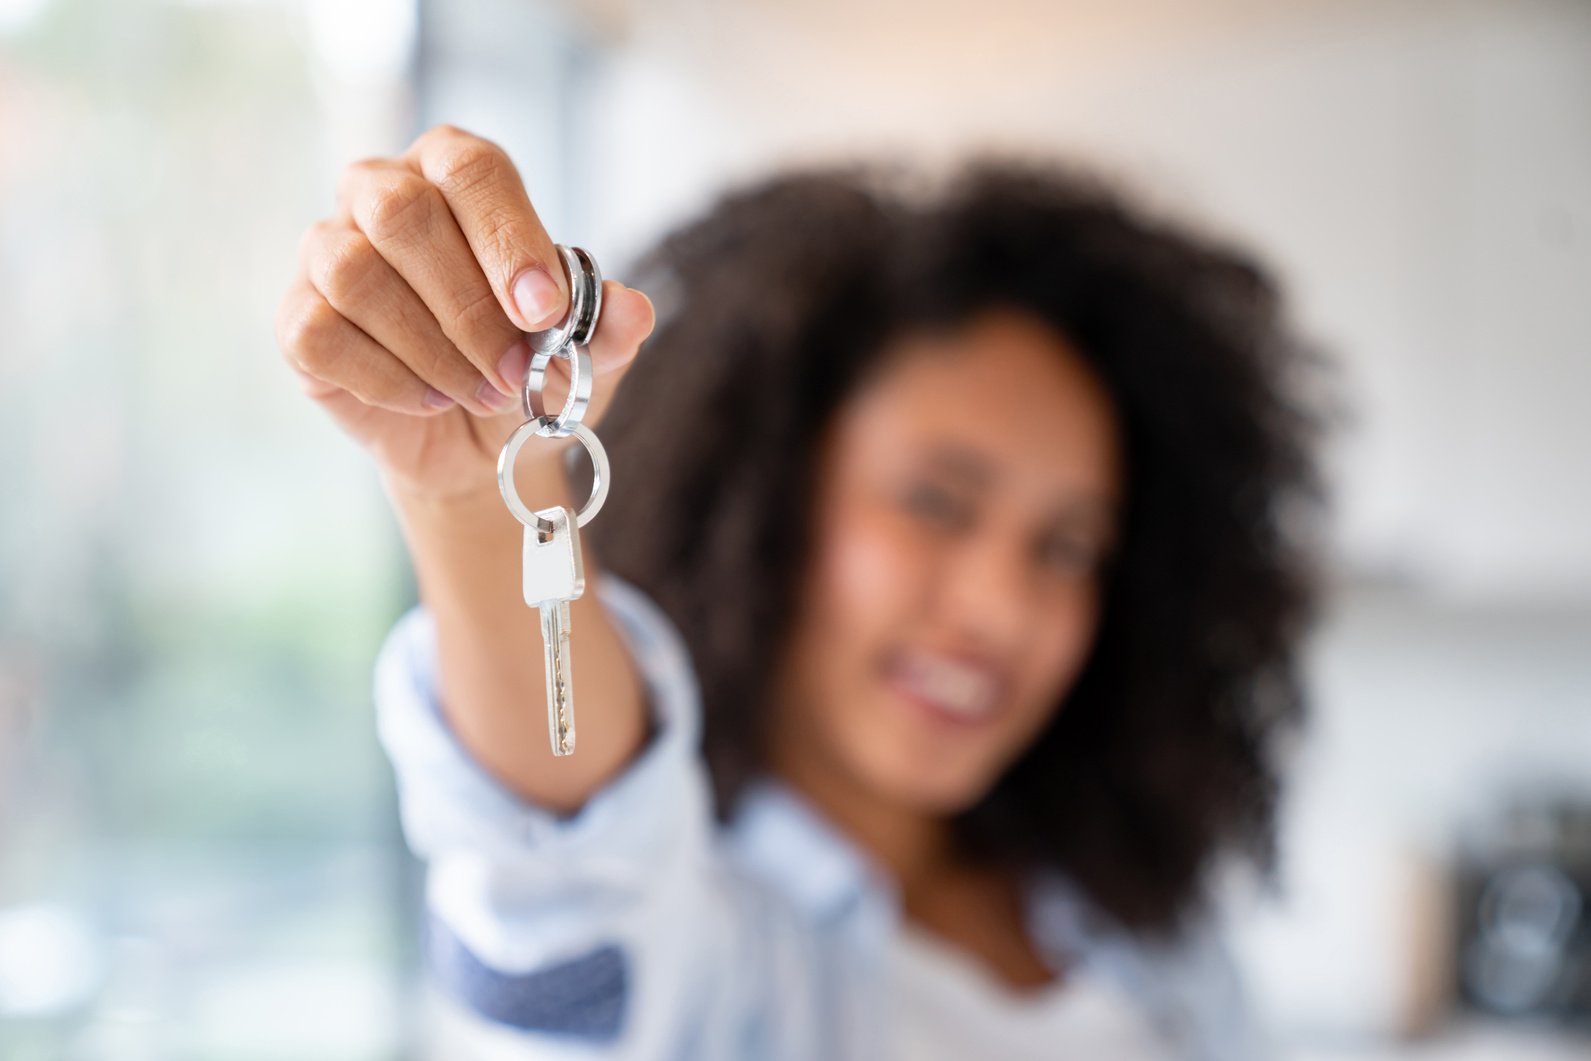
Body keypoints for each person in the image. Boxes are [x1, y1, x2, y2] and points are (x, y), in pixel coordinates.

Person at [276, 124, 1323, 1059]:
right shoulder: (708, 951)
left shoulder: (1151, 938)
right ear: (766, 495)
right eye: (936, 503)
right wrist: (471, 492)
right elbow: (568, 866)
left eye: (1065, 548)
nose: (1002, 609)